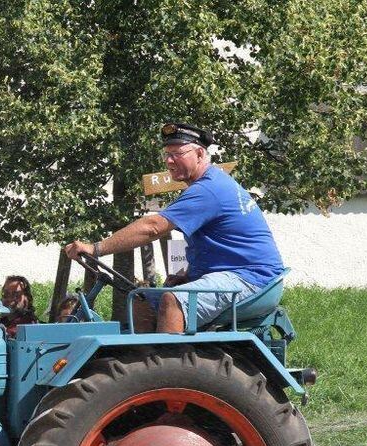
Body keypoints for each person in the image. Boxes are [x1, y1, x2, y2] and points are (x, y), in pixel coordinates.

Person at [65, 122, 284, 333]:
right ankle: (143, 357)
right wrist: (189, 275)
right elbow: (220, 244)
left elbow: (153, 227)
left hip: (252, 280)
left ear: (200, 154)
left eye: (177, 154)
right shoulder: (207, 186)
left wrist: (95, 248)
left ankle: (167, 359)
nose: (169, 161)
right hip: (236, 276)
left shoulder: (208, 190)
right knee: (142, 299)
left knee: (174, 299)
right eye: (166, 154)